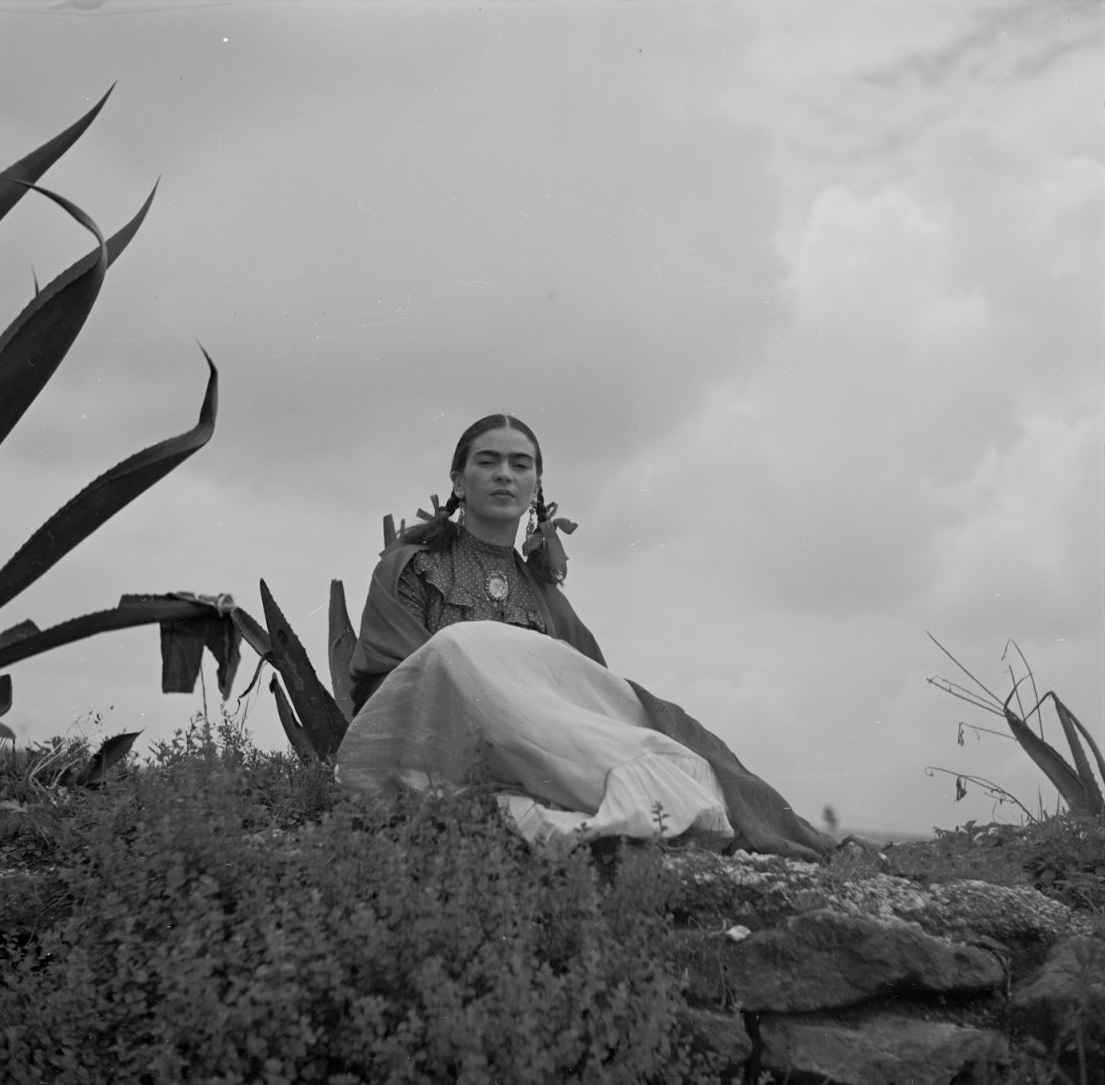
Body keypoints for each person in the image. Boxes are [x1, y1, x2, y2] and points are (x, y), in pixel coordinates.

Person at [338, 414, 834, 861]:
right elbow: (395, 688)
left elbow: (584, 698)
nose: (504, 474)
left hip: (535, 752)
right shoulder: (414, 568)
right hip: (438, 746)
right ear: (458, 481)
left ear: (535, 487)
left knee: (674, 755)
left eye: (520, 464)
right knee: (456, 648)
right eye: (487, 462)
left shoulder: (545, 595)